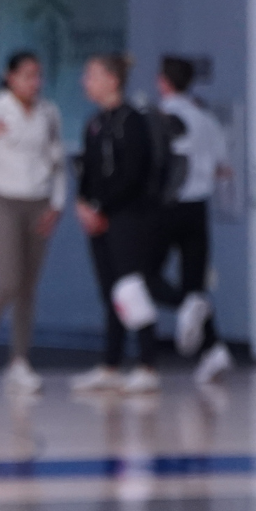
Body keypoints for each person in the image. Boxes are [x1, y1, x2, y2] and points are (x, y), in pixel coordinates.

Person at [0, 50, 66, 395]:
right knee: (7, 281)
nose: (34, 82)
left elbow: (58, 161)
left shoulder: (49, 113)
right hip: (2, 201)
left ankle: (20, 362)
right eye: (27, 75)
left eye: (38, 75)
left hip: (39, 202)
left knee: (27, 289)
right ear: (10, 77)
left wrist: (57, 204)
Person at [71, 53, 163, 395]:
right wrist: (83, 204)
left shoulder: (133, 121)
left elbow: (134, 174)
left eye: (92, 75)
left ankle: (147, 364)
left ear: (112, 80)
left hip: (129, 216)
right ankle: (110, 364)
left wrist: (102, 205)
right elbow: (87, 169)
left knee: (130, 288)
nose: (86, 82)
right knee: (110, 292)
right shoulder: (95, 123)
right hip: (99, 218)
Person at [155, 55, 234, 384]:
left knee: (145, 274)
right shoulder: (207, 119)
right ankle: (213, 349)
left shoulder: (161, 118)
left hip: (167, 206)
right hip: (198, 208)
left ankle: (186, 307)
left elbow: (156, 162)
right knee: (194, 283)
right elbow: (223, 169)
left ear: (163, 82)